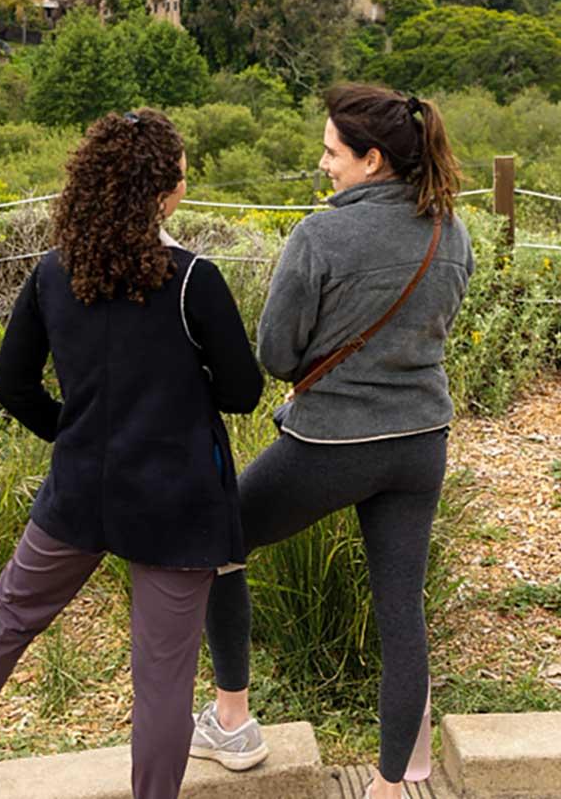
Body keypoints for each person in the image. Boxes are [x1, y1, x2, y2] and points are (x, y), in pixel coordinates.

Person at [0, 109, 264, 799]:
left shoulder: (54, 275)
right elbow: (243, 392)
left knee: (10, 617)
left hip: (80, 486)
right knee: (162, 675)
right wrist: (186, 387)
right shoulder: (193, 280)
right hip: (177, 500)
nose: (186, 177)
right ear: (163, 191)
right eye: (181, 169)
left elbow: (13, 387)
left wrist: (76, 431)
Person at [193, 83, 474, 799]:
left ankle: (231, 719)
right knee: (401, 608)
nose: (323, 164)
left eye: (331, 152)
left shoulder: (320, 235)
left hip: (329, 446)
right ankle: (391, 783)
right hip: (421, 441)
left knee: (220, 540)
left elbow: (278, 355)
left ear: (372, 158)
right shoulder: (451, 230)